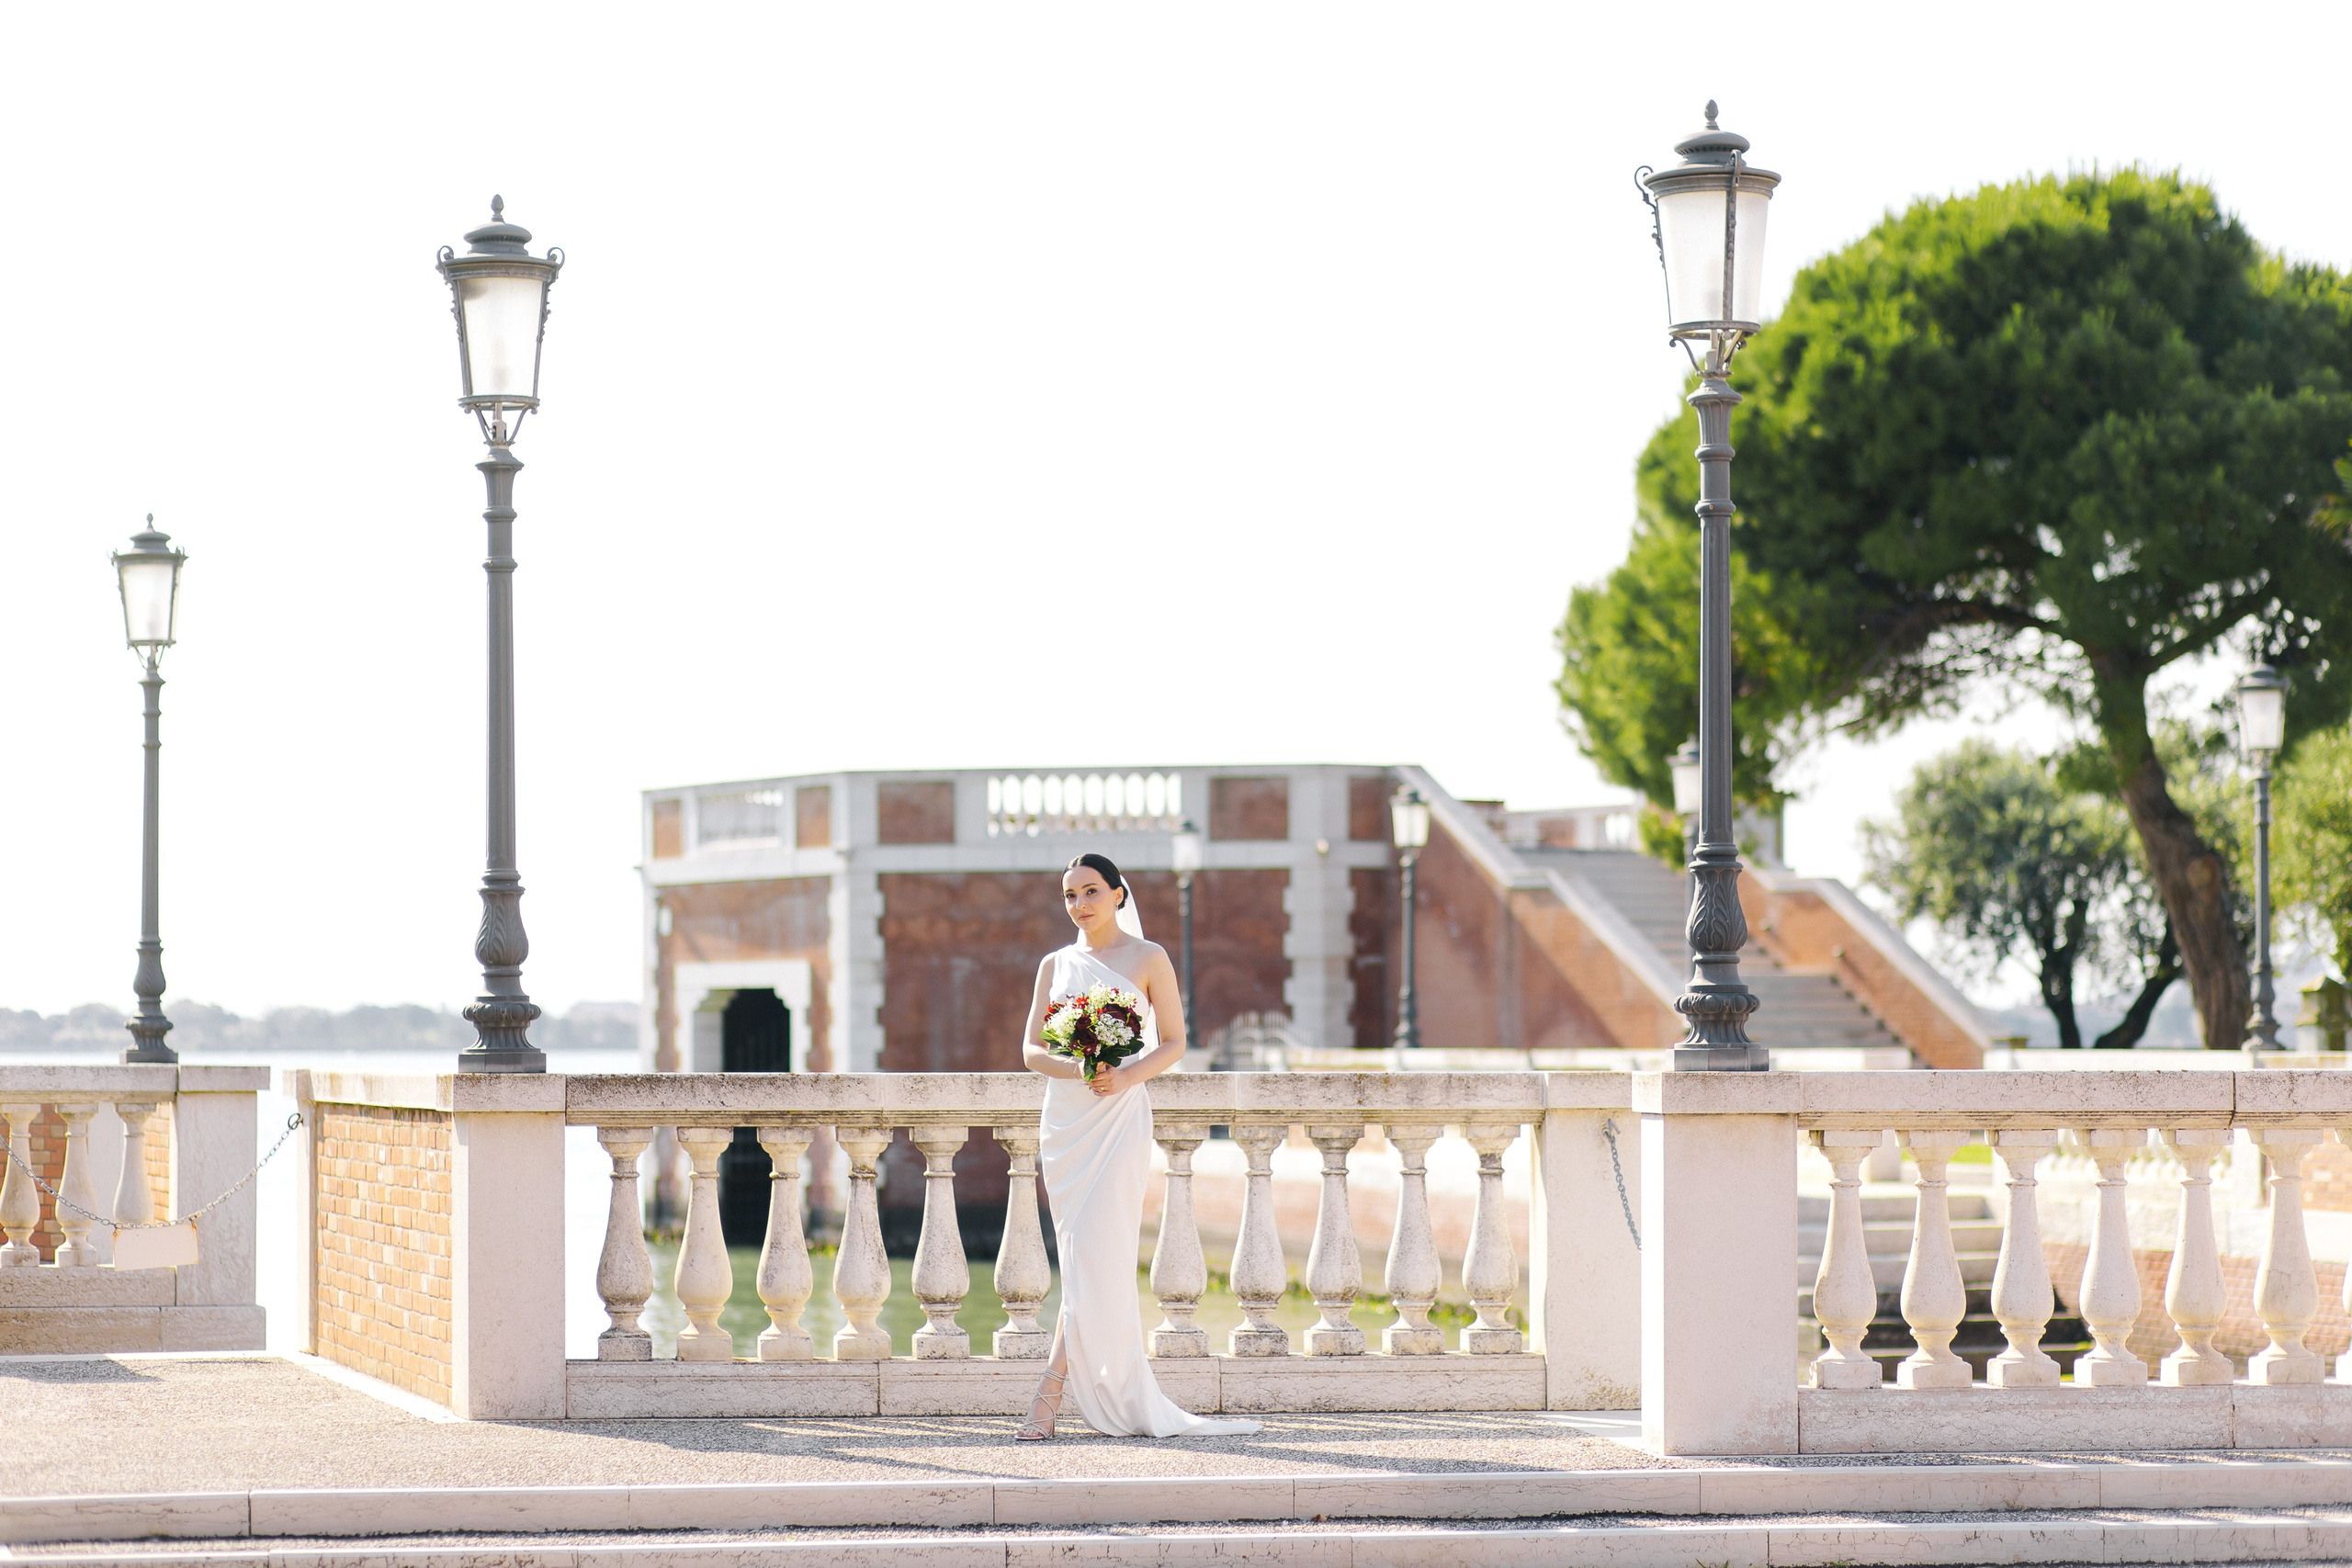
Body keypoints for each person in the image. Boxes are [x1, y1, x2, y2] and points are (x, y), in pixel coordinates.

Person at [1012, 852, 1262, 1441]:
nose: (1080, 904)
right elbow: (1031, 1051)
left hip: (1120, 1116)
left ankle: (1050, 1392)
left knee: (1098, 1251)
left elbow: (1173, 1042)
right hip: (1067, 1121)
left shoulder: (1149, 958)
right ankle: (1062, 1389)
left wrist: (1124, 1076)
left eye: (1091, 891)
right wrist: (1082, 1068)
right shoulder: (1055, 964)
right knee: (1079, 1254)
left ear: (1118, 894)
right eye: (1070, 895)